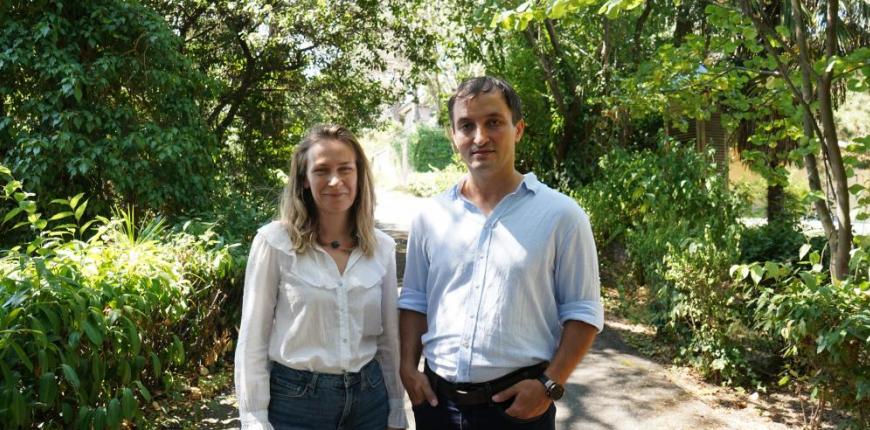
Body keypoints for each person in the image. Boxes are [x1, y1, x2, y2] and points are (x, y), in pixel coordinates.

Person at [397, 76, 604, 430]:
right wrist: (407, 366)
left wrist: (550, 384)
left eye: (493, 122)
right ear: (453, 135)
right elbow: (416, 300)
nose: (480, 137)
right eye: (466, 126)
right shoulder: (430, 216)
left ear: (517, 129)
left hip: (519, 410)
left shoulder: (562, 216)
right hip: (437, 405)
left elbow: (583, 311)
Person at [235, 124, 407, 430]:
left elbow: (389, 339)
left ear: (359, 175)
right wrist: (254, 418)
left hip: (369, 402)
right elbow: (253, 339)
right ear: (304, 179)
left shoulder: (381, 248)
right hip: (296, 404)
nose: (335, 181)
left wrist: (396, 408)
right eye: (321, 170)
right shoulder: (275, 243)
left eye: (345, 169)